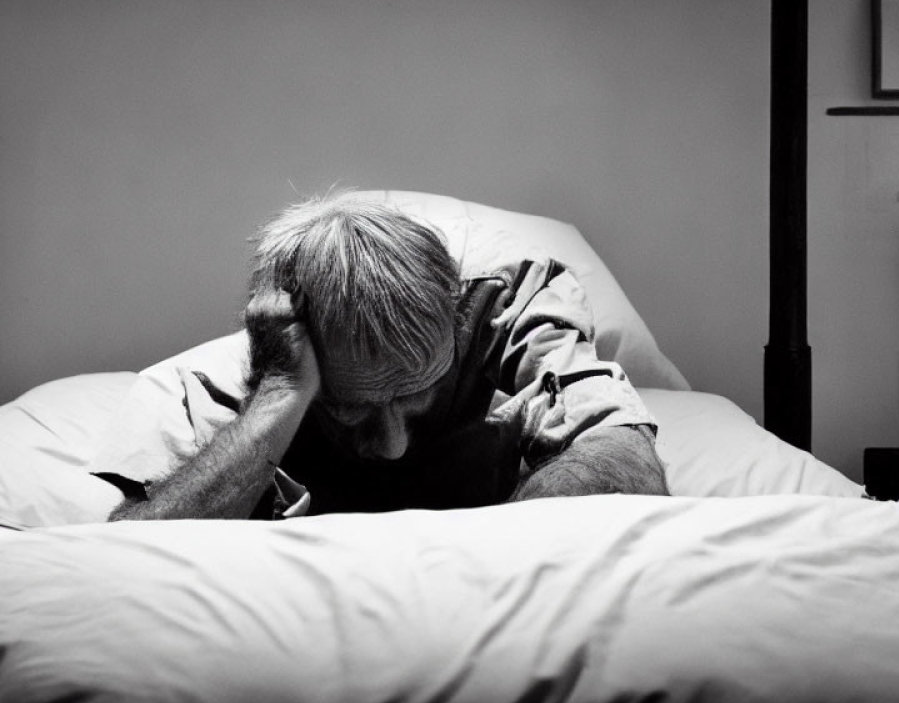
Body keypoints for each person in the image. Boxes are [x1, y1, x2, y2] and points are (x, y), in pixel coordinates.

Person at [108, 192, 666, 520]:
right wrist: (282, 393)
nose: (394, 447)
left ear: (456, 314)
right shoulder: (202, 387)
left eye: (419, 391)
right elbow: (128, 559)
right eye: (352, 409)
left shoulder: (499, 304)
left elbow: (623, 452)